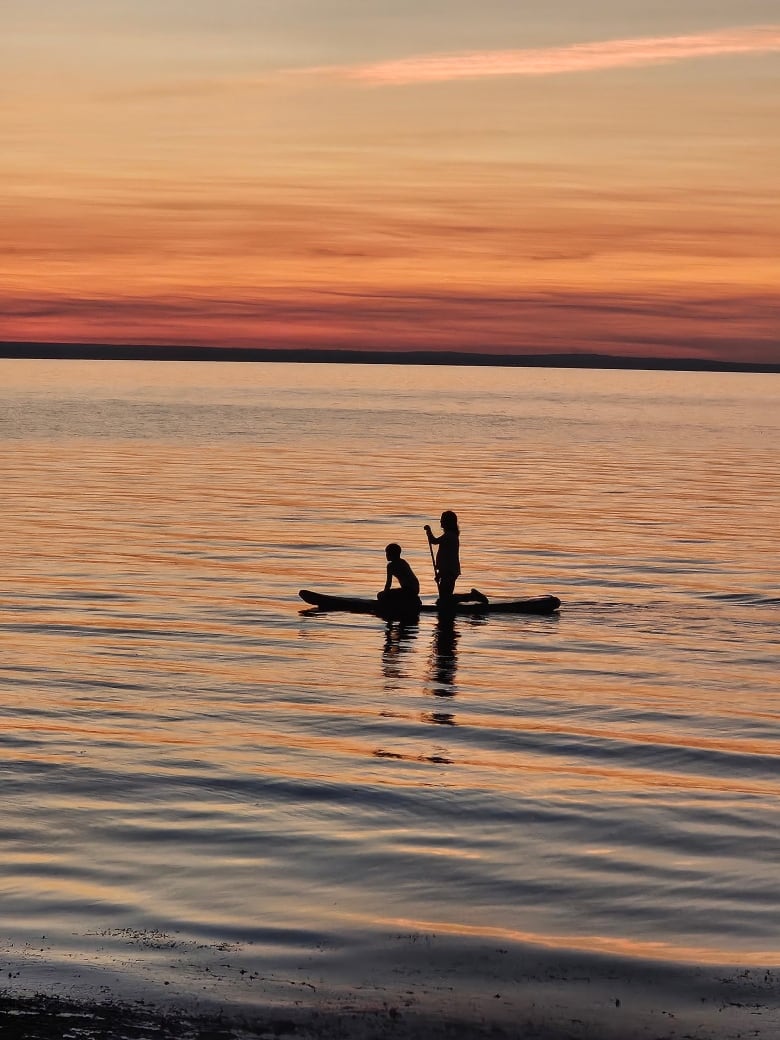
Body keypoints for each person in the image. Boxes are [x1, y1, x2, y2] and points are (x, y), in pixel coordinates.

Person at [424, 510, 488, 608]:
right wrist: (440, 573)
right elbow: (446, 557)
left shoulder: (449, 536)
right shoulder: (450, 535)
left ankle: (472, 596)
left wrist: (428, 531)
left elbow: (434, 541)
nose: (440, 521)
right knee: (443, 599)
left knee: (445, 599)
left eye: (442, 520)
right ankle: (461, 601)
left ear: (447, 522)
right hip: (447, 571)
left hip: (449, 572)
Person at [378, 543, 421, 610]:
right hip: (415, 589)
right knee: (387, 595)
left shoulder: (391, 566)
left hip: (408, 590)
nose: (386, 555)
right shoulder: (403, 562)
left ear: (393, 554)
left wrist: (384, 596)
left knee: (380, 595)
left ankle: (408, 602)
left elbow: (388, 584)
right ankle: (411, 600)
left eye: (387, 553)